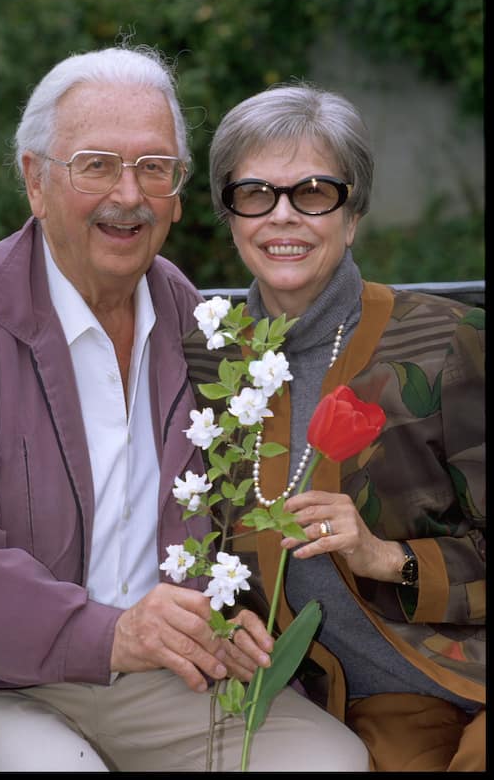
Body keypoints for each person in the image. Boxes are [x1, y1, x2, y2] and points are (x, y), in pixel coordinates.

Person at [0, 46, 370, 772]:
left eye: (155, 169)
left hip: (156, 676)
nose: (130, 195)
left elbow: (218, 507)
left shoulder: (195, 323)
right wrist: (108, 634)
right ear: (35, 180)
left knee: (327, 763)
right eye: (96, 165)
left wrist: (220, 616)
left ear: (179, 194)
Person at [184, 82, 485, 771]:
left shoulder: (445, 342)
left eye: (314, 192)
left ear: (352, 214)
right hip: (361, 706)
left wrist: (391, 558)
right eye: (255, 193)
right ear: (229, 215)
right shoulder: (206, 360)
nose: (282, 217)